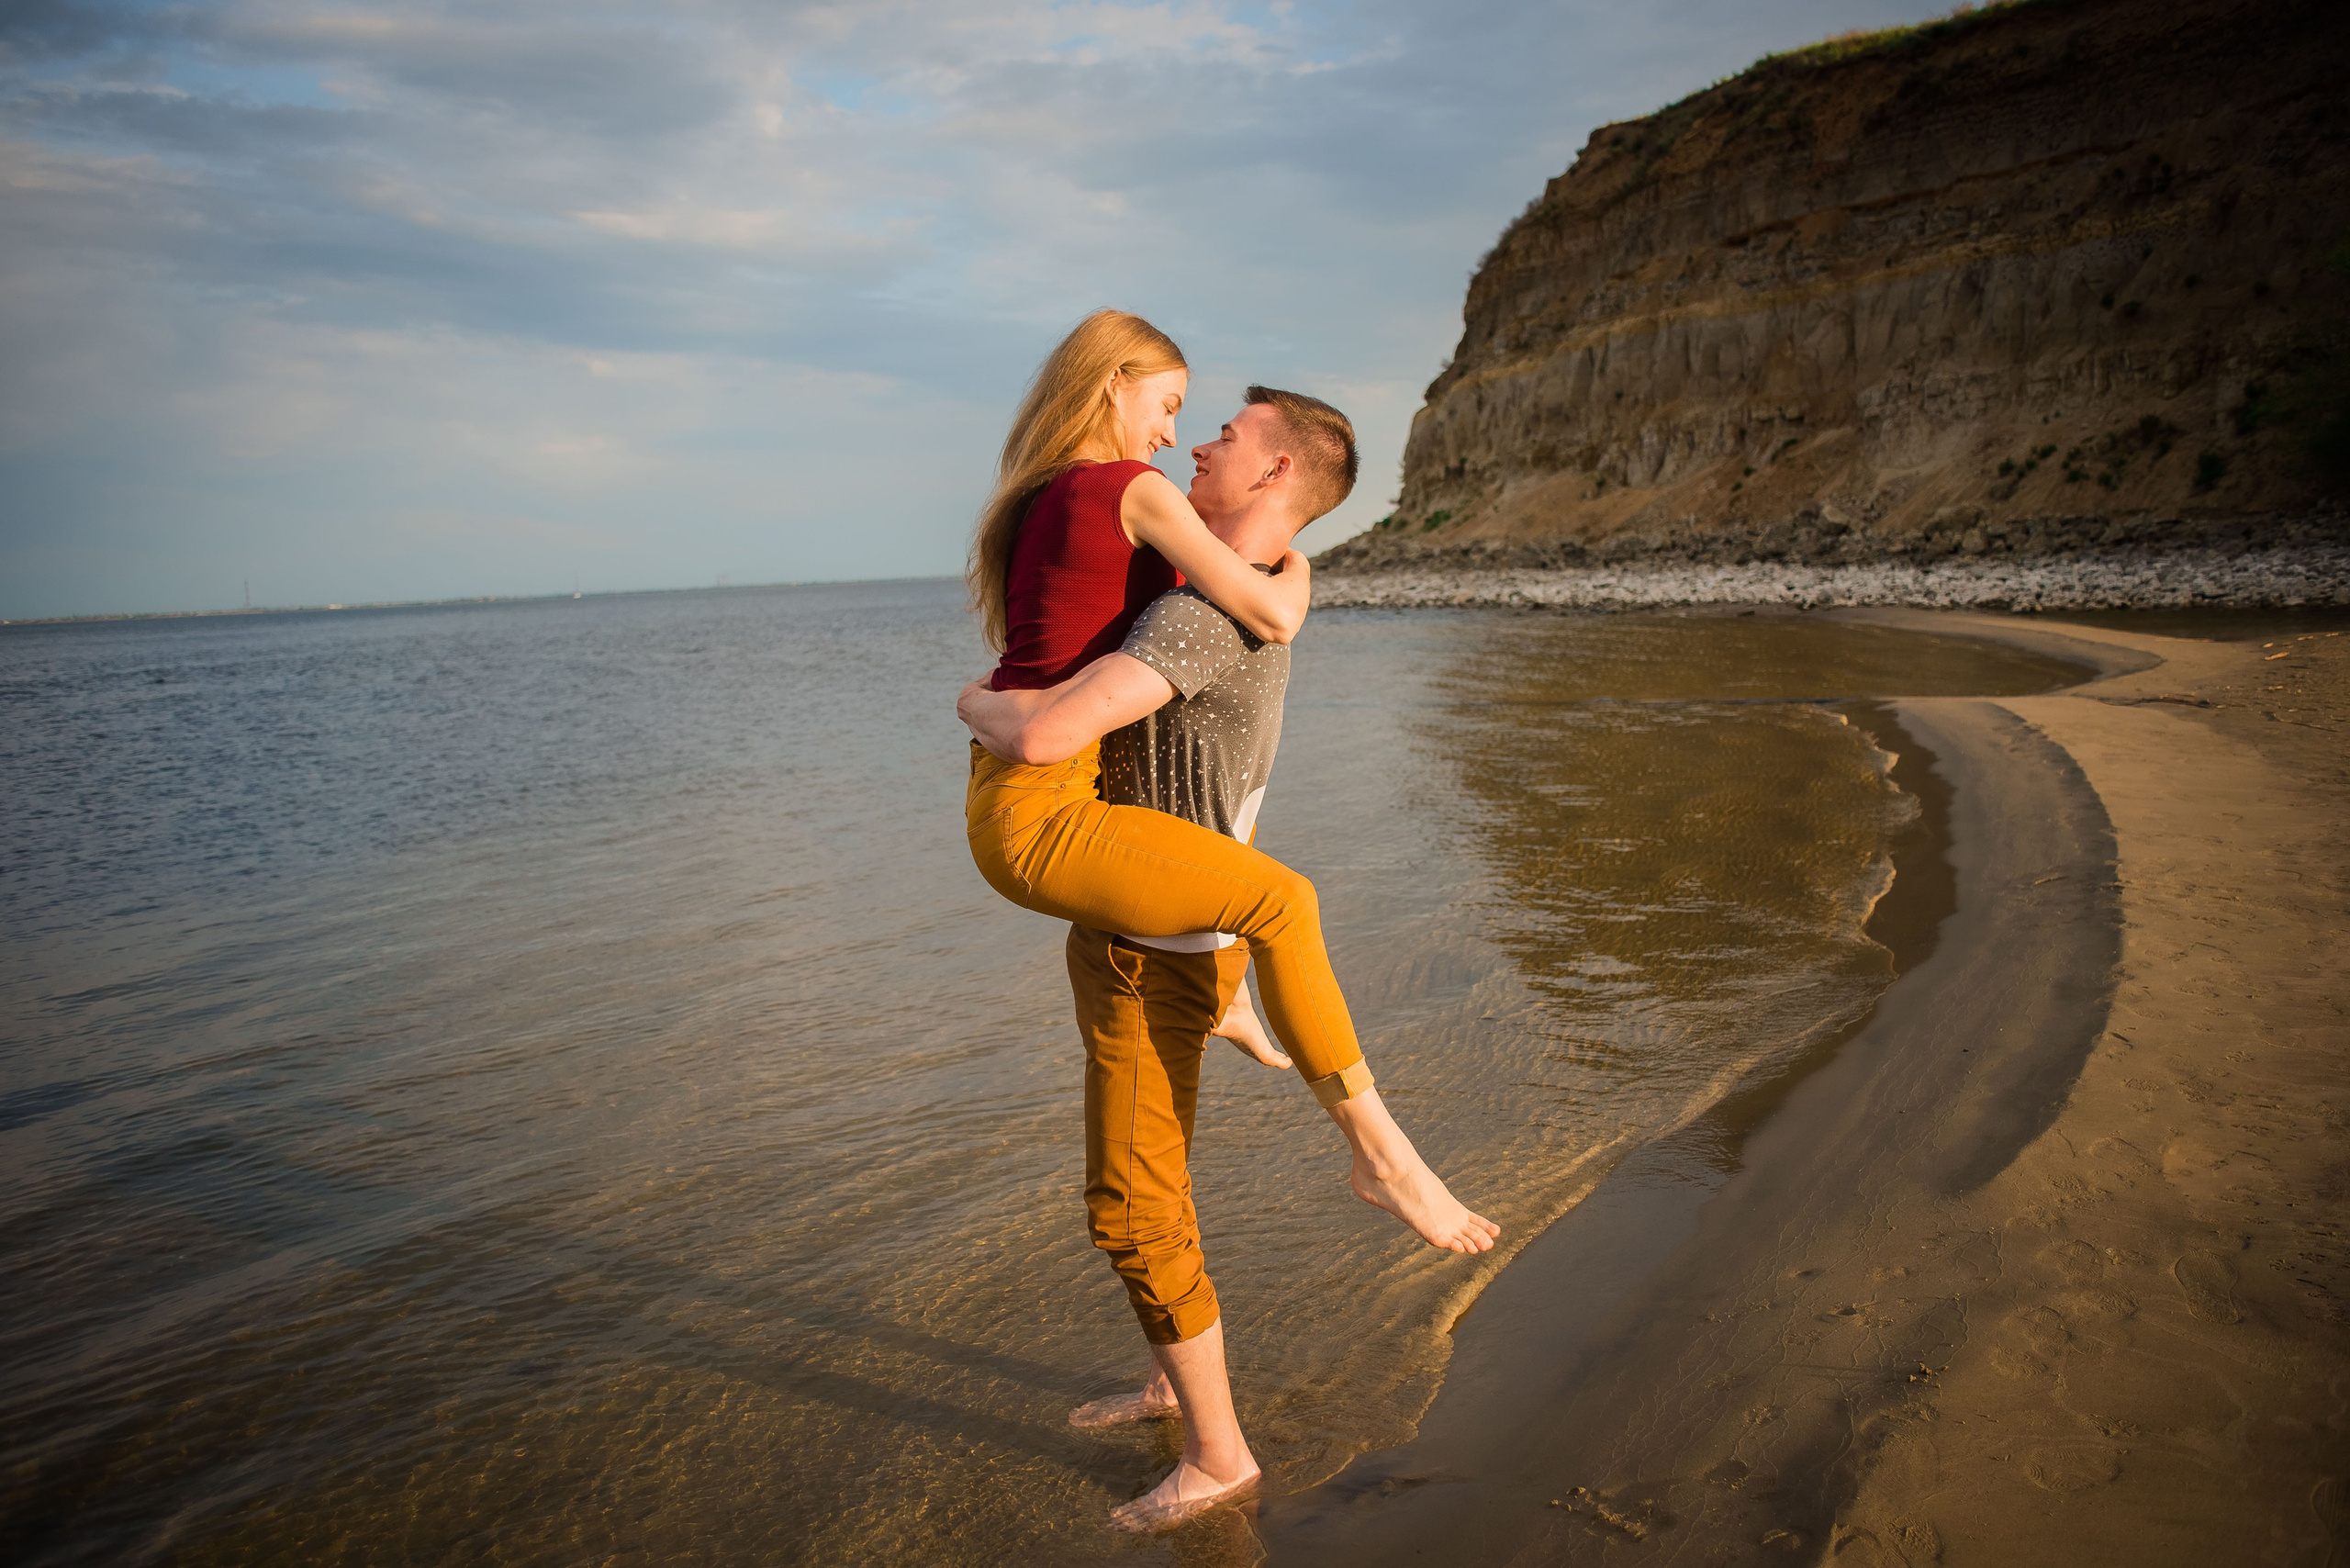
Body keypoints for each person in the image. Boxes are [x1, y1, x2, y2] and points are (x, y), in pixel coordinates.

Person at [960, 375, 1497, 1532]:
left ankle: (1218, 1456)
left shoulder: (1198, 612)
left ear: (1275, 475)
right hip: (1174, 924)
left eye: (1229, 435)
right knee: (1159, 1186)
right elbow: (1260, 604)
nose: (1198, 444)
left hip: (1154, 942)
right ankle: (1172, 1378)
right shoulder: (1248, 588)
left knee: (1133, 1208)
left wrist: (980, 706)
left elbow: (1053, 729)